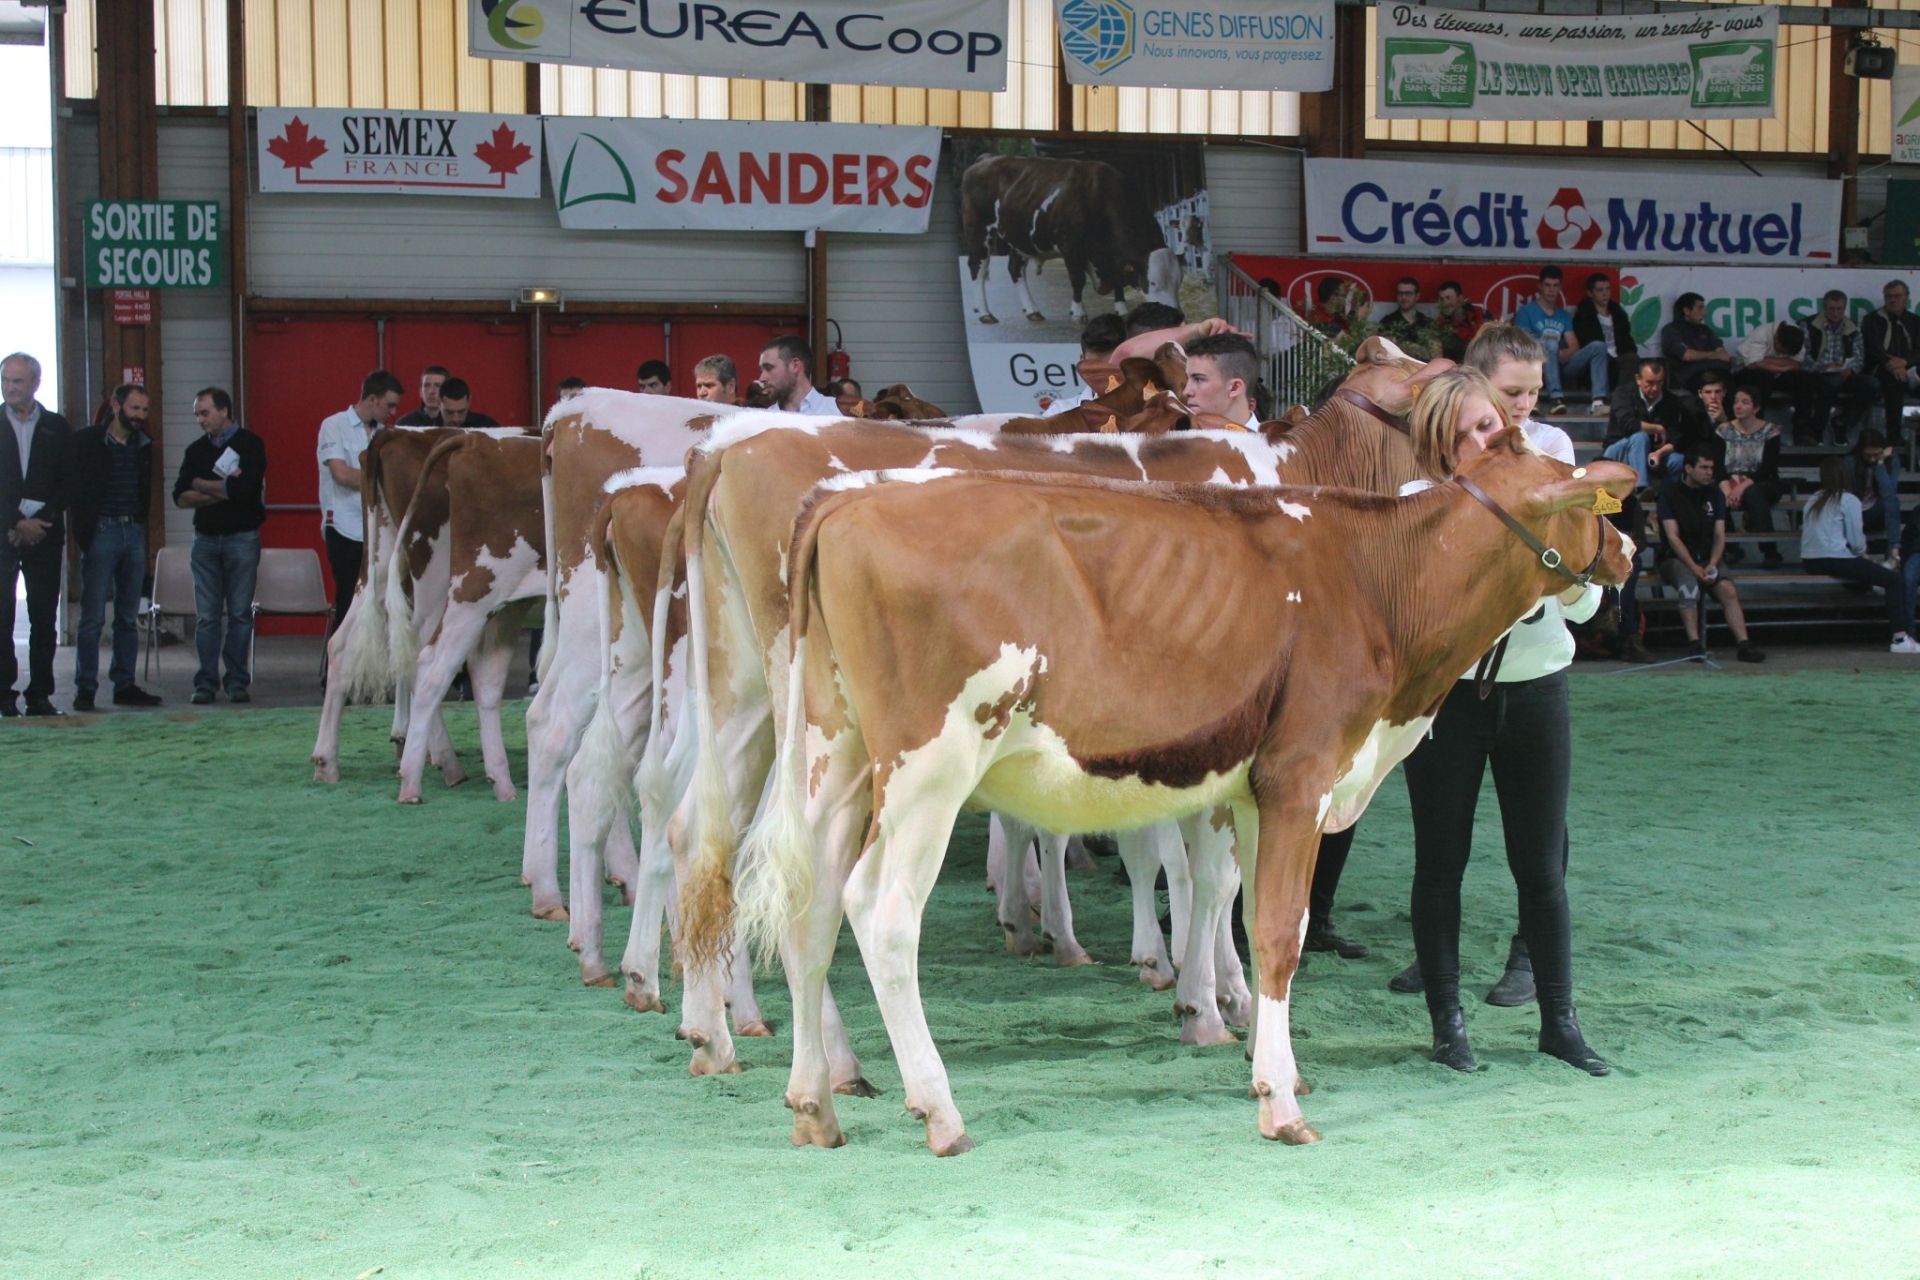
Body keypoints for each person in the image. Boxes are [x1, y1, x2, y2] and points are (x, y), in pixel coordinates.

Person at [1396, 364, 1611, 1076]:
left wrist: (1568, 580)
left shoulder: (1548, 487)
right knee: (1440, 863)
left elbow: (1586, 603)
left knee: (1541, 868)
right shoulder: (1414, 503)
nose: (1482, 441)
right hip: (1447, 699)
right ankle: (1448, 1025)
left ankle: (1560, 1021)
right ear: (1436, 448)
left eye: (1487, 424)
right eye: (1462, 437)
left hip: (1539, 688)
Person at [70, 383, 162, 710]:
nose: (140, 416)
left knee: (127, 616)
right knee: (92, 616)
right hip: (102, 531)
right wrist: (86, 535)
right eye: (135, 408)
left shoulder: (144, 445)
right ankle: (85, 688)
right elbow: (74, 489)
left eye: (145, 410)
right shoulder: (86, 441)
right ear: (116, 405)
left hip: (133, 532)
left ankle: (124, 685)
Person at [173, 387, 266, 704]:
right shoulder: (196, 451)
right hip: (206, 541)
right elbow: (181, 496)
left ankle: (237, 681)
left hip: (242, 538)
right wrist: (224, 488)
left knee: (240, 613)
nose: (200, 420)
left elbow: (247, 490)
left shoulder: (251, 445)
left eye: (204, 413)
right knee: (207, 616)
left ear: (224, 411)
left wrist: (202, 484)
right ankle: (206, 681)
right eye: (197, 414)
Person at [1, 352, 74, 717]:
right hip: (3, 533)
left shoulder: (56, 427)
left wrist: (38, 522)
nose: (10, 388)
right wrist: (15, 521)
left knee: (44, 617)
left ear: (35, 383)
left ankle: (40, 695)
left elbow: (68, 480)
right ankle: (3, 695)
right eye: (5, 381)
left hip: (44, 535)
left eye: (17, 381)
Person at [1800, 455, 1920, 653]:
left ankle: (1874, 583)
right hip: (1834, 558)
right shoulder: (1848, 500)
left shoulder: (1813, 499)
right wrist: (1862, 554)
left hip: (1810, 559)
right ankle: (1900, 639)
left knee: (1868, 573)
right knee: (1894, 581)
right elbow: (1856, 541)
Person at [1656, 447, 1765, 662]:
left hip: (1708, 556)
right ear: (1688, 468)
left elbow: (1719, 534)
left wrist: (1713, 563)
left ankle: (1744, 643)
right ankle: (1694, 643)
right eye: (1704, 468)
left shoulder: (1715, 494)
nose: (1709, 472)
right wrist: (1694, 567)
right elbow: (1672, 537)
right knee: (1689, 587)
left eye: (1711, 468)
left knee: (1728, 589)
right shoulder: (1669, 496)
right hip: (1676, 557)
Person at [317, 370, 403, 639]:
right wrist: (381, 478)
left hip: (377, 531)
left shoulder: (387, 434)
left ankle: (369, 672)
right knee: (348, 601)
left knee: (378, 602)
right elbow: (341, 474)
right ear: (372, 399)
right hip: (344, 527)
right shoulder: (334, 425)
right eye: (390, 405)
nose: (393, 411)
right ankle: (336, 673)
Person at [1709, 384, 1784, 568]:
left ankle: (1770, 551)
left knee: (1753, 493)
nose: (1738, 406)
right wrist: (1728, 489)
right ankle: (1731, 549)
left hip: (1762, 481)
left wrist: (1742, 486)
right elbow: (1718, 466)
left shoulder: (1770, 431)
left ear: (1756, 408)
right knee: (1715, 494)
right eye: (1736, 402)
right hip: (1730, 480)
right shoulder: (1723, 430)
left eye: (1745, 402)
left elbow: (1768, 467)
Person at [1791, 289, 1875, 445]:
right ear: (1824, 308)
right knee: (1831, 383)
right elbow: (1801, 356)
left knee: (1871, 385)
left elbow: (1859, 357)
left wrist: (1851, 369)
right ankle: (1818, 429)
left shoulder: (1853, 328)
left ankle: (1842, 422)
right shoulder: (1808, 325)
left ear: (1845, 309)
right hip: (1817, 374)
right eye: (1832, 309)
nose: (1836, 313)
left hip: (1844, 373)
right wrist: (1822, 367)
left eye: (1839, 309)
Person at [1515, 266, 1598, 414]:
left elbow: (1574, 344)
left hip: (1561, 366)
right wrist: (1549, 350)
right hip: (1534, 367)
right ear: (1540, 286)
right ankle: (1555, 399)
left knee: (1598, 347)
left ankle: (1599, 401)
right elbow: (1523, 345)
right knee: (1550, 345)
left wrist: (1565, 354)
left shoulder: (1563, 315)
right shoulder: (1527, 311)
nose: (1551, 290)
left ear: (1560, 287)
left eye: (1555, 286)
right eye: (1547, 285)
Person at [1603, 358, 1691, 490]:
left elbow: (1675, 436)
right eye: (1649, 383)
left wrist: (1660, 453)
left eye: (1659, 382)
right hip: (1618, 451)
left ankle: (1666, 499)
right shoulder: (1623, 394)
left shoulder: (1671, 400)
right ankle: (1641, 488)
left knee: (1677, 460)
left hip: (1651, 455)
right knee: (1640, 437)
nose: (1655, 388)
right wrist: (1657, 428)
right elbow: (1628, 424)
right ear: (1638, 379)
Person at [1862, 279, 1920, 446]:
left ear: (1906, 298)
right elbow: (1871, 348)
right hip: (1883, 369)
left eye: (1897, 296)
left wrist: (1904, 362)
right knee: (1896, 383)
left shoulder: (1915, 321)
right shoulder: (1872, 320)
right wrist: (1891, 363)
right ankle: (1893, 435)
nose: (1892, 300)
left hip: (1911, 368)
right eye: (1889, 296)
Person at [1570, 273, 1637, 413]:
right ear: (1590, 293)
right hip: (1596, 361)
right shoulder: (1583, 315)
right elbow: (1585, 342)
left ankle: (1623, 400)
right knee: (1600, 351)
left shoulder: (1618, 313)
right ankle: (1601, 401)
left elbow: (1627, 341)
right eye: (1600, 290)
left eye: (1607, 289)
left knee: (1631, 358)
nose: (1605, 293)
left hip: (1617, 359)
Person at [1043, 314, 1127, 417]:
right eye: (1095, 370)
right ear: (1082, 362)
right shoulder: (1059, 414)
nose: (1108, 379)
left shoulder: (1149, 413)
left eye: (1114, 369)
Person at [1180, 333, 1260, 429]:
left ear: (1235, 388)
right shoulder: (1178, 442)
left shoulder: (1271, 443)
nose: (1186, 392)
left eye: (1198, 379)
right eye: (1187, 379)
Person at [1659, 292, 1735, 393]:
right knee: (1714, 389)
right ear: (1686, 310)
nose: (1704, 313)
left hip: (1720, 371)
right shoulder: (1672, 330)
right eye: (1700, 308)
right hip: (1694, 374)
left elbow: (1724, 356)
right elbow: (1687, 355)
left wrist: (1699, 355)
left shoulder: (1705, 330)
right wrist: (1714, 354)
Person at [1843, 428, 1902, 557]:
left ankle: (1894, 548)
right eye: (1867, 455)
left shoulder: (1892, 460)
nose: (1872, 459)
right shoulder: (1850, 462)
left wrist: (1880, 465)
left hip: (1877, 512)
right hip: (1856, 513)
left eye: (1877, 454)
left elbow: (1889, 493)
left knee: (1892, 500)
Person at [1734, 317, 1805, 406]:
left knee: (1803, 378)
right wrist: (1784, 367)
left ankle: (1802, 419)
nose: (1784, 353)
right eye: (1782, 350)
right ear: (1776, 338)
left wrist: (1766, 359)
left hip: (1777, 375)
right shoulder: (1761, 333)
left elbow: (1796, 363)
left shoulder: (1796, 335)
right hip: (1746, 372)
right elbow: (1753, 364)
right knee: (1764, 378)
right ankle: (1758, 418)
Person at [758, 336, 837, 414]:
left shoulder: (837, 412)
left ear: (795, 366)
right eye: (762, 370)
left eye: (769, 368)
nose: (761, 378)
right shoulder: (765, 420)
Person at [1378, 277, 1440, 360]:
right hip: (1398, 370)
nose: (1403, 297)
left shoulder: (1427, 323)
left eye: (1408, 294)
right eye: (1400, 293)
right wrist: (1421, 349)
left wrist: (1402, 345)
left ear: (1417, 296)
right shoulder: (1387, 322)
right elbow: (1384, 352)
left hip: (1423, 370)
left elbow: (1436, 355)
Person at [1432, 280, 1485, 361]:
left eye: (1448, 298)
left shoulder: (1480, 313)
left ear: (1460, 299)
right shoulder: (1439, 324)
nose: (1445, 303)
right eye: (1441, 299)